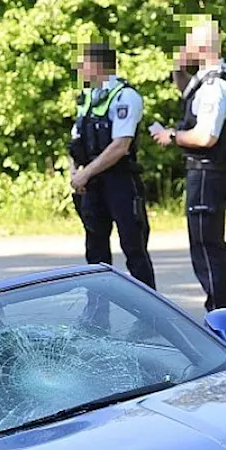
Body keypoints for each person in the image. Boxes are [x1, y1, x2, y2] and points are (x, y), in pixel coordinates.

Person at [153, 18, 226, 311]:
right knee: (207, 243)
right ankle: (222, 310)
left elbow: (206, 136)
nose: (184, 46)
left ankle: (221, 315)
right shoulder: (207, 79)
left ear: (202, 47)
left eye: (189, 41)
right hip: (205, 172)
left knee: (206, 246)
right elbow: (187, 93)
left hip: (208, 173)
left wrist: (172, 136)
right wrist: (178, 67)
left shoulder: (214, 87)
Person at [67, 42, 156, 292]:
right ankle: (97, 315)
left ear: (98, 65)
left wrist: (85, 173)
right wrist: (75, 173)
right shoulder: (86, 98)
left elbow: (120, 145)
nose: (80, 68)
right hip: (92, 186)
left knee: (133, 248)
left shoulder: (124, 96)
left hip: (120, 183)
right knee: (95, 253)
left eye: (84, 63)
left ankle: (148, 316)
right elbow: (74, 142)